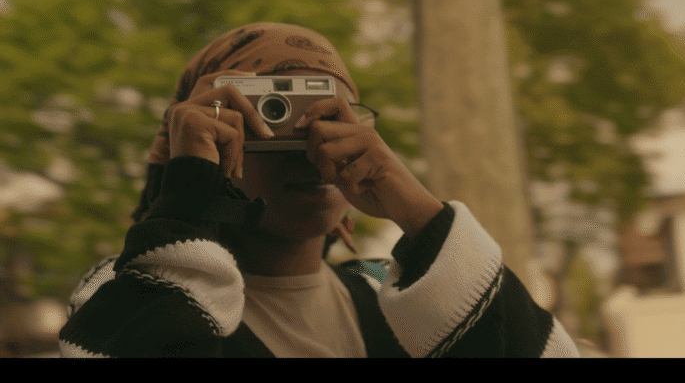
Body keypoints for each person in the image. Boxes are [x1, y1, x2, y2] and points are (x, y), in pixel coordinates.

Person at [58, 22, 580, 358]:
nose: (310, 152)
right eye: (272, 118)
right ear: (208, 142)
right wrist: (189, 197)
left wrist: (424, 217)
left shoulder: (395, 296)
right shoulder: (124, 293)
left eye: (331, 121)